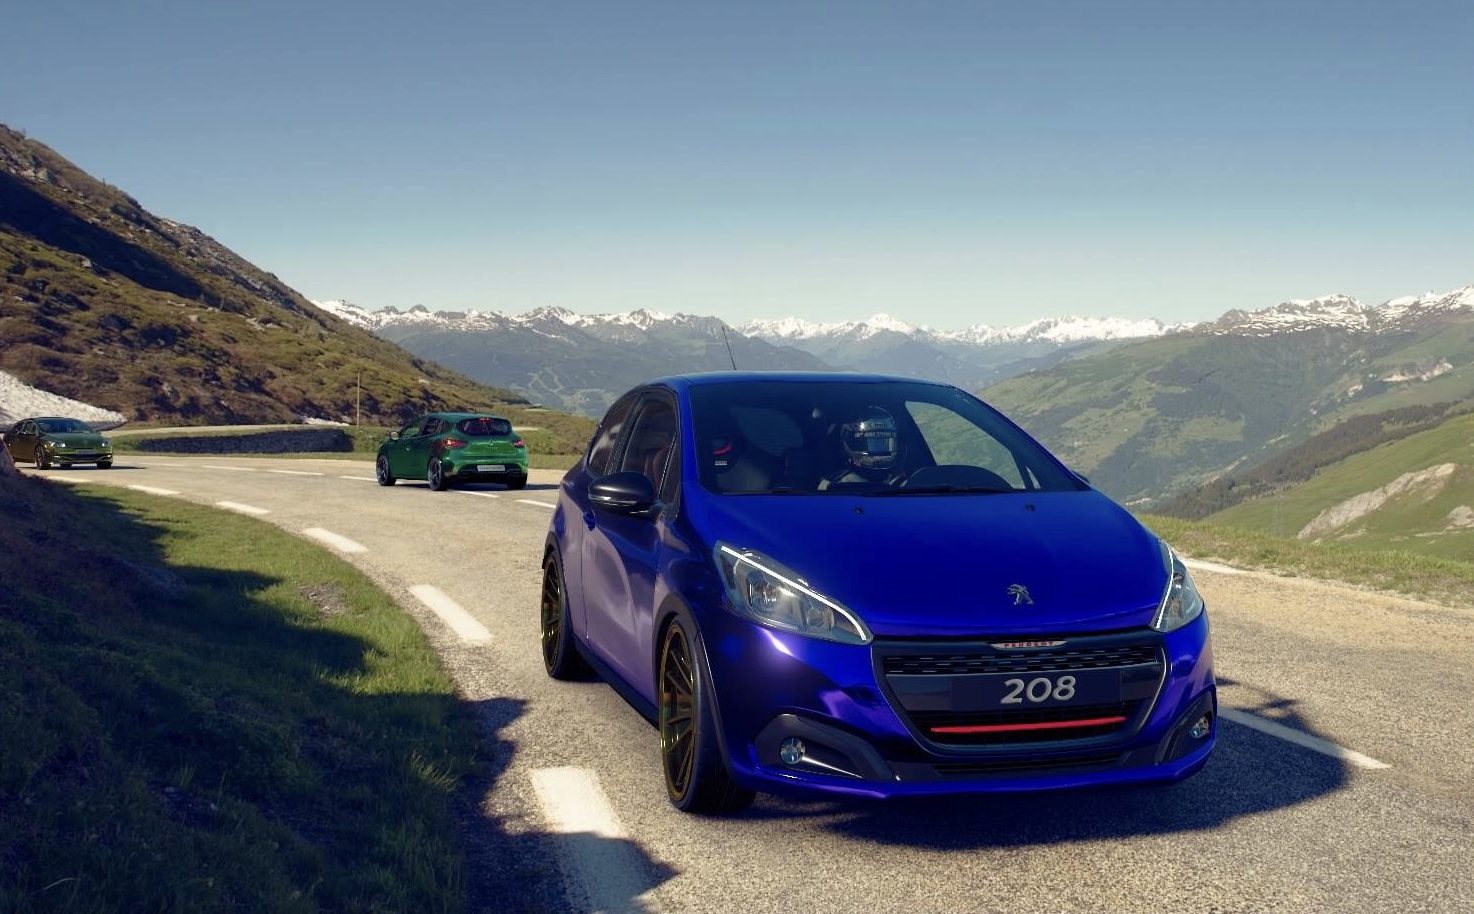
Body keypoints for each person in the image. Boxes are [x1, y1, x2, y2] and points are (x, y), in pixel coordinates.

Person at [819, 406, 906, 489]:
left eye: (885, 444)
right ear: (851, 443)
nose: (880, 451)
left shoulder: (902, 482)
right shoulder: (835, 486)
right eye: (873, 445)